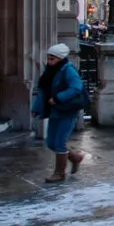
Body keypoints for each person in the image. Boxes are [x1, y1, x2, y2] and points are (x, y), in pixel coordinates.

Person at [31, 44, 87, 183]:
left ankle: (59, 173)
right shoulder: (50, 70)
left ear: (61, 58)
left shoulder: (68, 70)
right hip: (55, 110)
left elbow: (76, 87)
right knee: (51, 142)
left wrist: (58, 98)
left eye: (52, 59)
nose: (49, 62)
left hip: (67, 110)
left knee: (60, 142)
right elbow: (43, 91)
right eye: (48, 58)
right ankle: (75, 157)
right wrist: (36, 108)